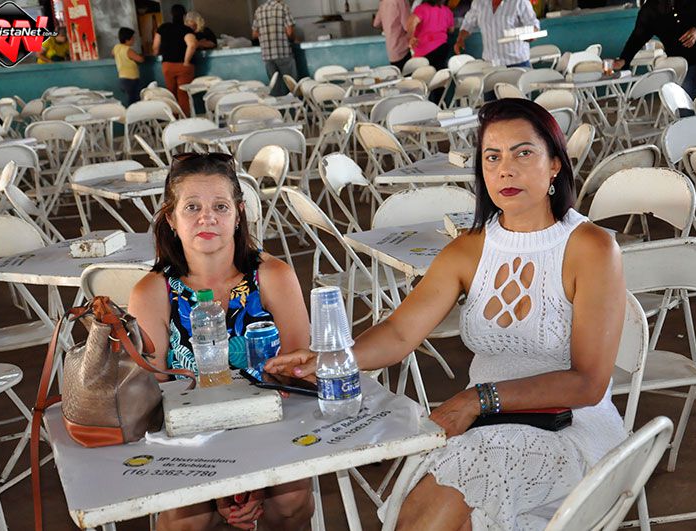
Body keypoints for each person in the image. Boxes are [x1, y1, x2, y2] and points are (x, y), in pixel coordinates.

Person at [267, 98, 628, 529]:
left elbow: (588, 383)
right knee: (436, 507)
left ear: (554, 165)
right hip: (484, 424)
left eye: (523, 153)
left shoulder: (591, 248)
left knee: (443, 502)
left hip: (570, 426)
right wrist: (333, 359)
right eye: (492, 157)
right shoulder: (469, 249)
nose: (505, 170)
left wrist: (478, 398)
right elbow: (400, 332)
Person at [128, 153, 314, 531]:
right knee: (185, 520)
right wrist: (219, 487)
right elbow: (154, 394)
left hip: (271, 425)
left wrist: (254, 481)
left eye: (220, 206)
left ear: (239, 214)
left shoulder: (273, 276)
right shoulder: (152, 292)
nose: (207, 218)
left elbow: (299, 372)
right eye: (192, 207)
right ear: (171, 218)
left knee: (290, 501)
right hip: (192, 437)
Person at [613, 0, 696, 98]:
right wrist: (624, 59)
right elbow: (638, 36)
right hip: (683, 59)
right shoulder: (650, 9)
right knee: (683, 103)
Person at [454, 0, 540, 67]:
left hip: (517, 64)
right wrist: (460, 39)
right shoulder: (478, 3)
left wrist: (531, 34)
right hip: (490, 65)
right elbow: (468, 24)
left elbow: (533, 26)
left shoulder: (520, 2)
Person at [153, 4, 197, 116]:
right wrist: (186, 61)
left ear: (171, 14)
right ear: (184, 16)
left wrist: (156, 54)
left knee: (171, 93)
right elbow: (192, 45)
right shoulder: (186, 29)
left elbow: (155, 47)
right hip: (183, 66)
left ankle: (174, 118)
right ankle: (185, 119)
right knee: (183, 93)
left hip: (167, 65)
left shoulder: (163, 28)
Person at [252, 0, 297, 97]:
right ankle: (292, 106)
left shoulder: (259, 10)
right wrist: (294, 39)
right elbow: (290, 32)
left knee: (275, 88)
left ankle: (278, 106)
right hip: (283, 53)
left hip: (267, 56)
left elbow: (254, 34)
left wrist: (265, 35)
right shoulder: (283, 8)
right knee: (291, 86)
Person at [407, 0, 455, 71]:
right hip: (442, 48)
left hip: (424, 50)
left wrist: (410, 37)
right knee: (438, 73)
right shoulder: (447, 11)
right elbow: (451, 30)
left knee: (422, 75)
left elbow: (412, 22)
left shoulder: (421, 8)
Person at [374, 0, 412, 72]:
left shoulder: (383, 2)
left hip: (391, 51)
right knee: (408, 76)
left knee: (398, 75)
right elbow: (407, 26)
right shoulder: (400, 1)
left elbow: (376, 23)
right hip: (402, 49)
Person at [112, 27, 144, 106]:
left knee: (130, 99)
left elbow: (112, 54)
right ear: (127, 39)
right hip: (131, 79)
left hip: (122, 78)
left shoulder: (116, 47)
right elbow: (140, 59)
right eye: (132, 38)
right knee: (134, 101)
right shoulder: (128, 50)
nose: (134, 40)